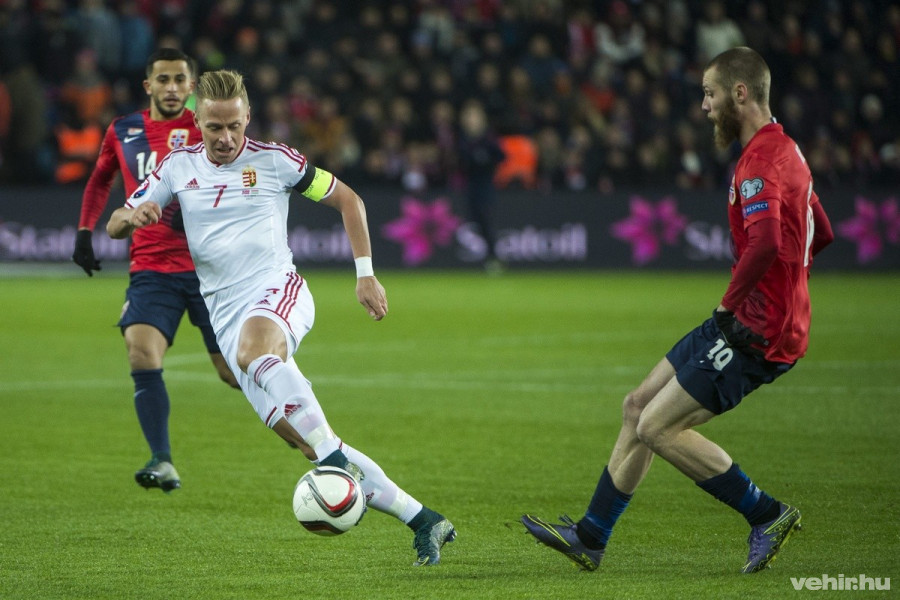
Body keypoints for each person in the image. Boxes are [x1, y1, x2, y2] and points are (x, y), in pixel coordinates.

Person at [106, 69, 456, 567]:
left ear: (248, 117)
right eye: (214, 127)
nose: (225, 138)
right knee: (307, 443)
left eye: (234, 126)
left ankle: (335, 460)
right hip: (226, 318)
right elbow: (116, 222)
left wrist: (365, 275)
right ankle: (424, 520)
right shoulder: (176, 167)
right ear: (197, 121)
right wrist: (134, 216)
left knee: (268, 371)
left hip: (277, 291)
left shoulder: (275, 161)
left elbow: (349, 200)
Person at [521, 47, 834, 574]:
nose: (705, 106)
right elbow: (820, 232)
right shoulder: (787, 151)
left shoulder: (760, 160)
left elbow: (764, 244)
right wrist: (789, 286)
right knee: (637, 406)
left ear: (740, 93)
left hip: (755, 329)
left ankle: (768, 514)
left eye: (710, 93)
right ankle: (591, 536)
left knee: (657, 427)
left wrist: (743, 303)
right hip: (752, 317)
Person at [73, 48, 239, 494]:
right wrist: (85, 230)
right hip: (151, 267)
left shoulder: (209, 129)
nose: (171, 88)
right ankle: (162, 459)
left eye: (179, 80)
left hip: (210, 270)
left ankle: (308, 428)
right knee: (141, 352)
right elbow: (100, 179)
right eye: (162, 79)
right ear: (148, 85)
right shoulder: (123, 130)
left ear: (192, 87)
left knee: (234, 371)